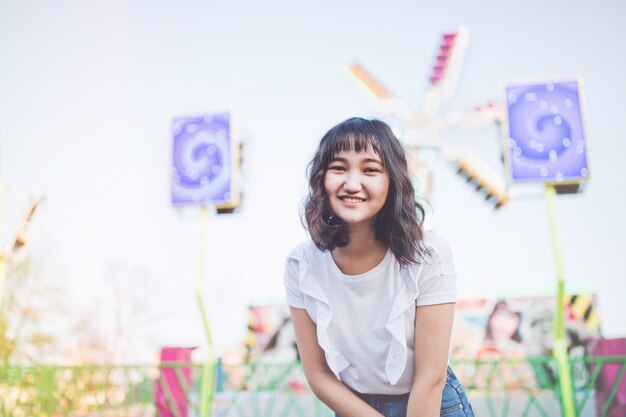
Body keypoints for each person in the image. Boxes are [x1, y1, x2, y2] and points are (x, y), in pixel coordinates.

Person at [284, 117, 474, 417]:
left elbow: (430, 379)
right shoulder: (302, 265)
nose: (352, 183)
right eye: (338, 168)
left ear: (393, 180)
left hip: (431, 405)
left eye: (370, 169)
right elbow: (318, 375)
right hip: (355, 408)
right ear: (321, 178)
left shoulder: (429, 253)